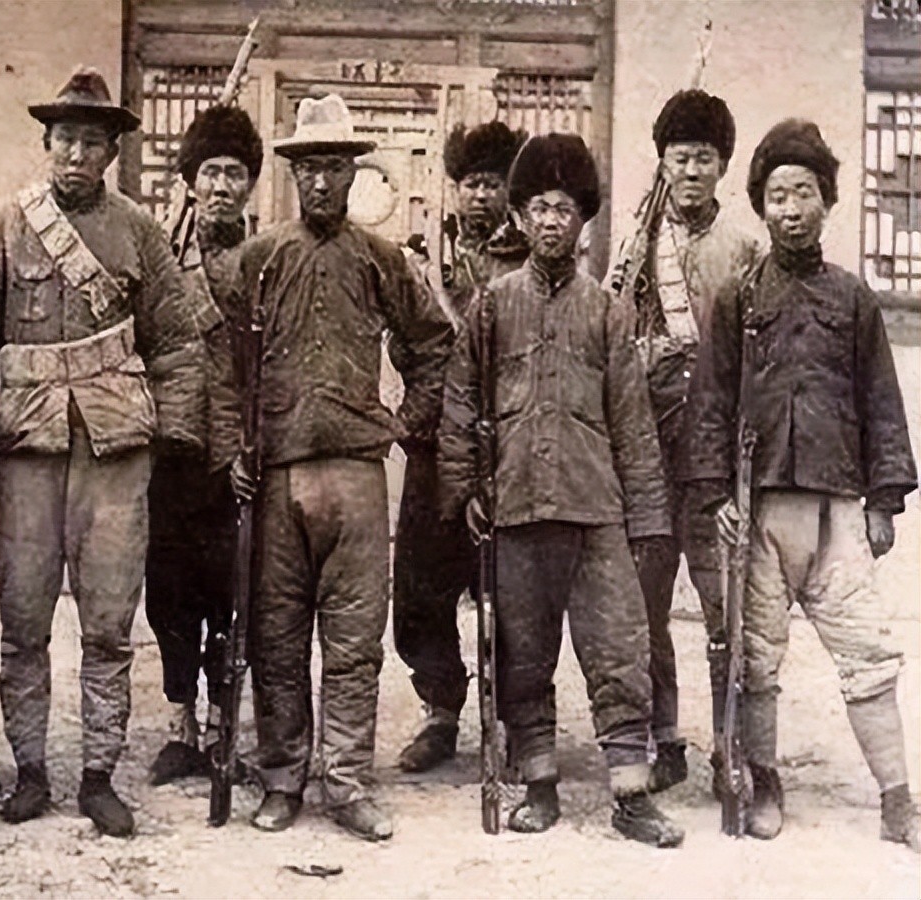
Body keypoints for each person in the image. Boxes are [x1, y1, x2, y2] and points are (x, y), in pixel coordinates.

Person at [0, 67, 208, 835]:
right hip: (26, 452)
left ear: (112, 152)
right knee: (23, 623)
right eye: (65, 141)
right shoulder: (5, 226)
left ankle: (99, 774)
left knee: (110, 624)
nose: (76, 155)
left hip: (116, 456)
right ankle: (31, 772)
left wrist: (174, 441)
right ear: (46, 144)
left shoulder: (139, 232)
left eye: (91, 143)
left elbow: (177, 344)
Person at [437, 133, 683, 847]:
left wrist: (647, 521)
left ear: (583, 222)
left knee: (619, 649)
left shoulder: (607, 311)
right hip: (516, 507)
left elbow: (632, 423)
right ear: (519, 216)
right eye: (539, 208)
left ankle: (631, 796)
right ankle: (539, 786)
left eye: (564, 210)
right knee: (524, 652)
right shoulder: (492, 306)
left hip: (595, 508)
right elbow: (460, 402)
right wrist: (467, 489)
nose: (551, 222)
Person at [221, 94, 453, 842]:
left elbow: (434, 345)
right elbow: (224, 366)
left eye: (334, 168)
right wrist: (234, 450)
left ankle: (348, 782)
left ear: (354, 174)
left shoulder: (382, 260)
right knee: (277, 637)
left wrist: (406, 420)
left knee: (353, 643)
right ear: (293, 176)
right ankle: (282, 777)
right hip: (278, 475)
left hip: (356, 475)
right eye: (308, 169)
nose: (321, 182)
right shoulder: (259, 260)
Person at [682, 119, 919, 850]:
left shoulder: (853, 299)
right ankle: (764, 781)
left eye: (804, 193)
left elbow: (881, 400)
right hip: (759, 513)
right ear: (761, 205)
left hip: (837, 512)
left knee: (867, 652)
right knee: (755, 660)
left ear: (828, 201)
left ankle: (898, 798)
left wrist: (883, 502)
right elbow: (711, 399)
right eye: (778, 196)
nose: (791, 210)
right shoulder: (739, 297)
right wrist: (717, 495)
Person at [611, 89, 762, 792]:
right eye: (680, 158)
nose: (692, 171)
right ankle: (661, 736)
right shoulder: (637, 244)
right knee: (645, 606)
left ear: (722, 165)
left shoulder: (746, 250)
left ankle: (731, 746)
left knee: (724, 603)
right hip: (649, 448)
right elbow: (612, 341)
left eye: (704, 158)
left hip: (716, 456)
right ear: (663, 164)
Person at [395, 120, 528, 773]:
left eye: (494, 184)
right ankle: (440, 711)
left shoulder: (528, 257)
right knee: (422, 584)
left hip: (505, 443)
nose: (481, 196)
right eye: (472, 184)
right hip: (433, 445)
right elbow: (403, 337)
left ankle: (513, 718)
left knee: (509, 587)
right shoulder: (425, 254)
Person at [146, 104, 262, 785]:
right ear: (190, 182)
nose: (221, 185)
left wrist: (252, 446)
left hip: (234, 456)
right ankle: (179, 723)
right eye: (210, 172)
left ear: (250, 184)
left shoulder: (264, 260)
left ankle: (224, 727)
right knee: (169, 593)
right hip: (172, 446)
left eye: (234, 173)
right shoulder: (162, 256)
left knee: (231, 594)